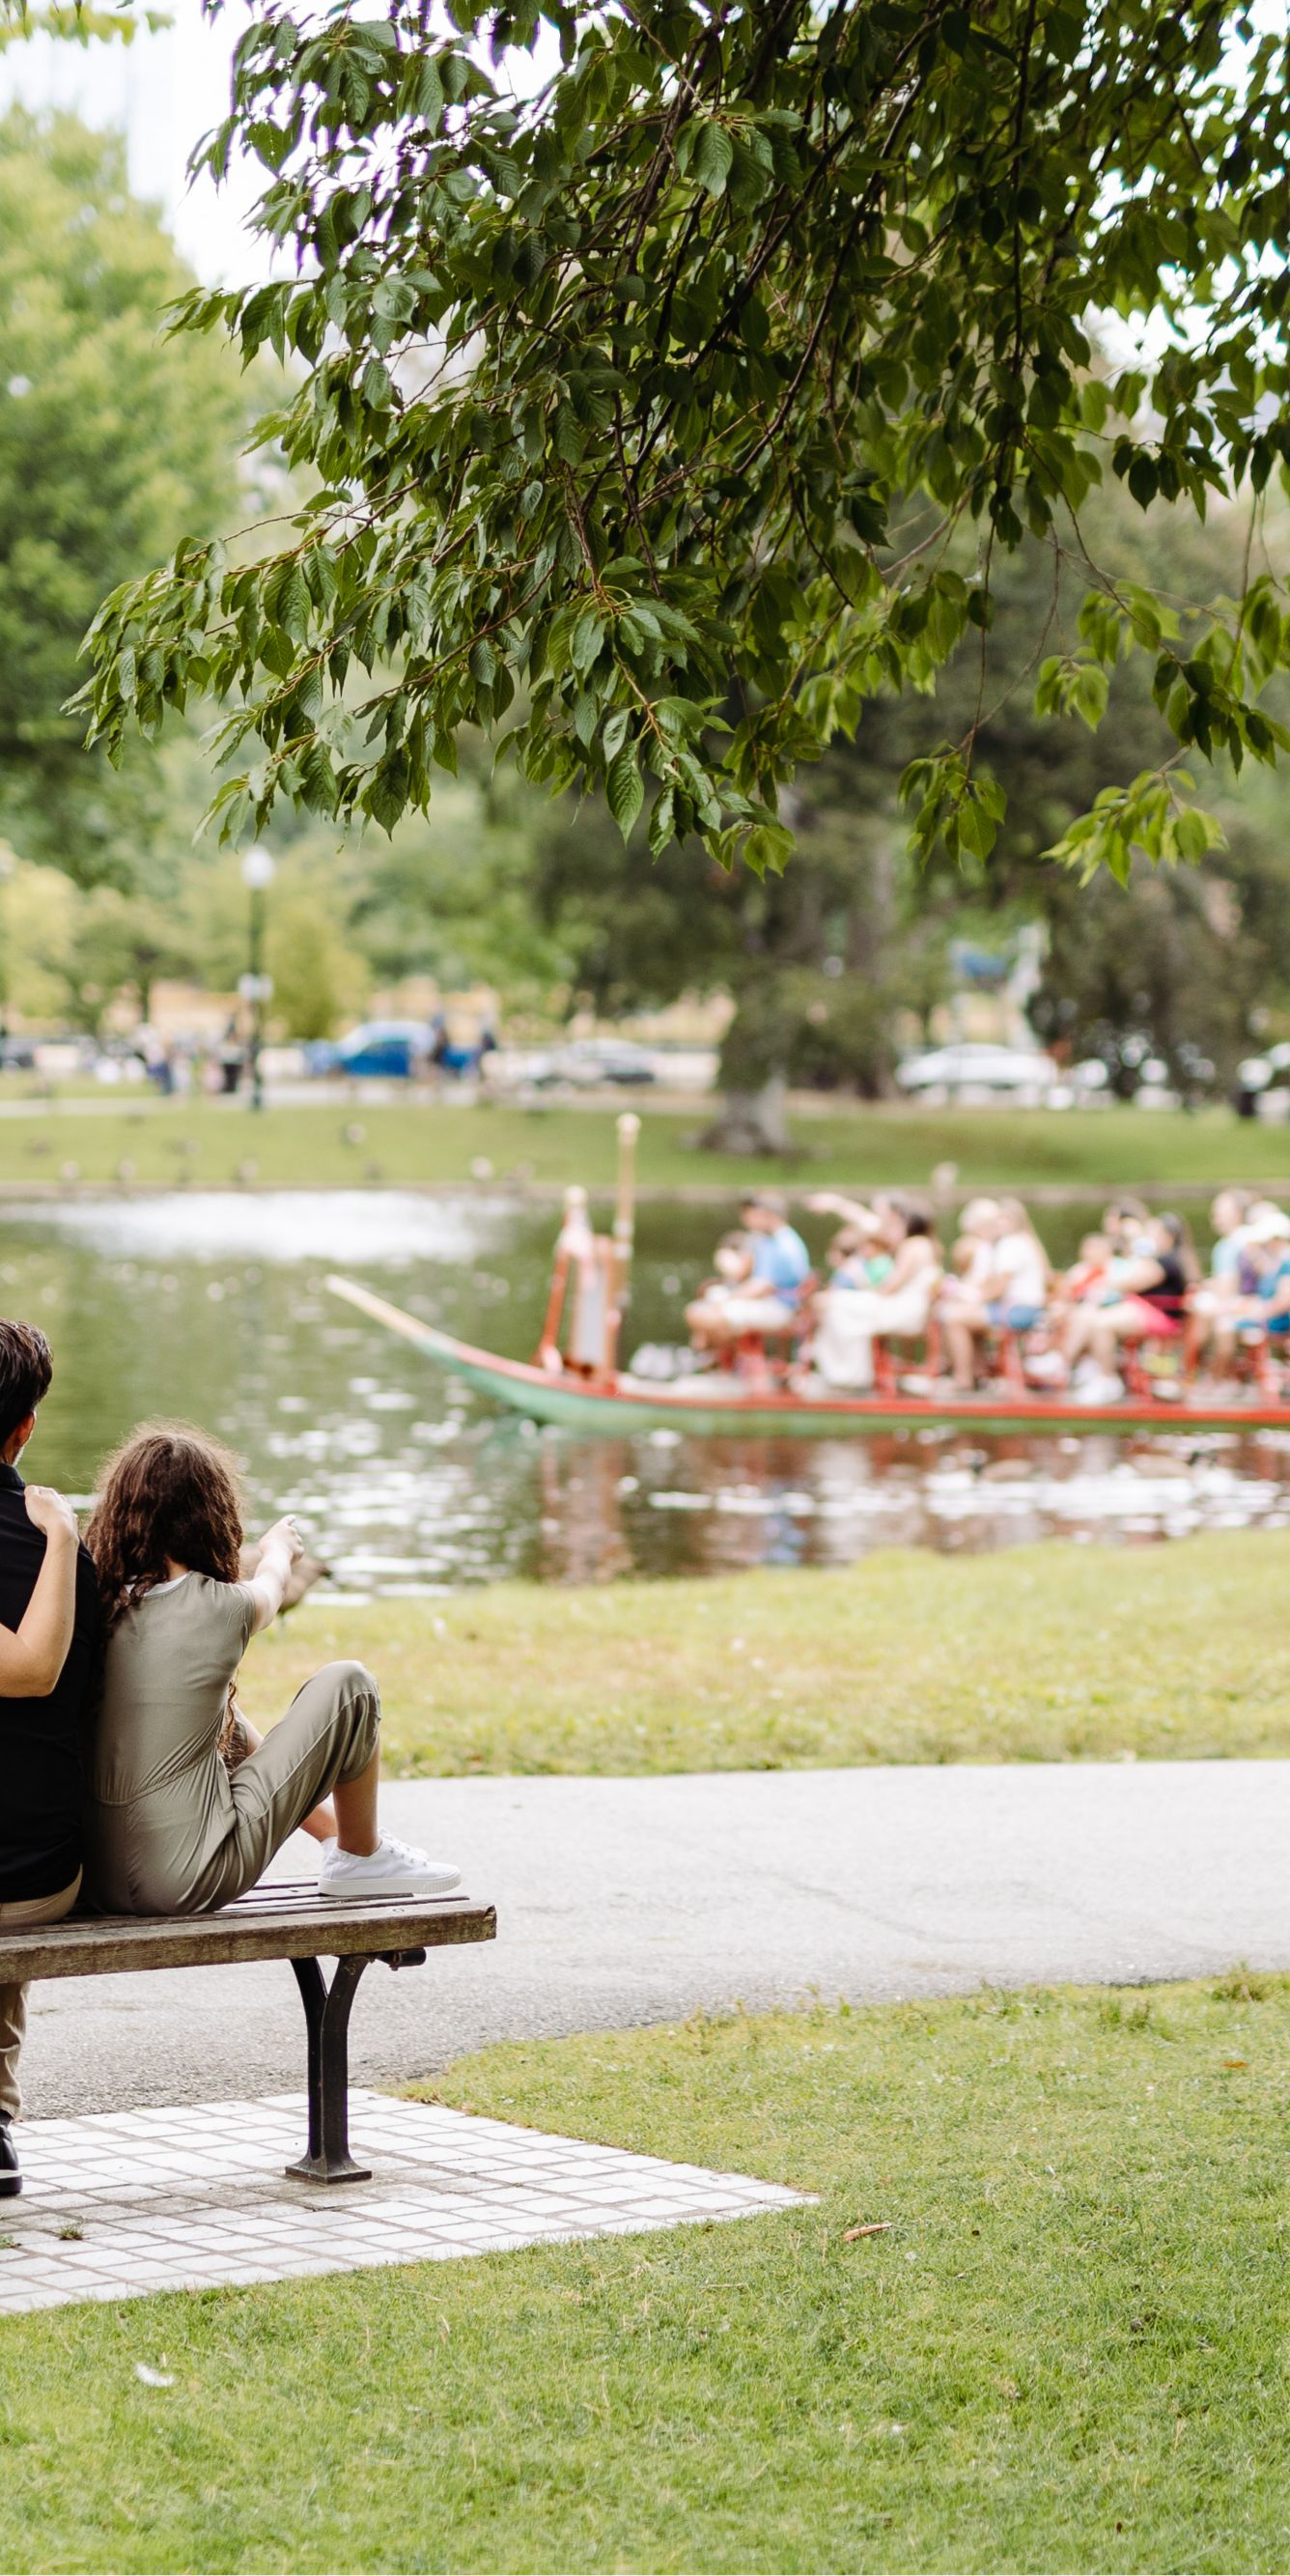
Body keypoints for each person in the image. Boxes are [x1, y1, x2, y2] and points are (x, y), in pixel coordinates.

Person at [84, 1425, 459, 1917]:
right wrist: (278, 1547)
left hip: (94, 1877)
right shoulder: (218, 1606)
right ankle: (360, 1855)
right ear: (210, 1517)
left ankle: (335, 1839)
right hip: (187, 1879)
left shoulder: (98, 1601)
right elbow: (273, 1587)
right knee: (352, 1686)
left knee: (225, 1719)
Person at [0, 1319, 101, 2199]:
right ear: (25, 1426)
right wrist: (66, 1538)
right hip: (46, 1875)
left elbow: (30, 1671)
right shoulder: (64, 1552)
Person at [1063, 1211, 1197, 1401]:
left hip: (1160, 1318)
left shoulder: (1166, 1261)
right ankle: (1084, 1369)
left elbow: (1130, 1281)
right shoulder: (1171, 1259)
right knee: (1091, 1318)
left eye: (1154, 1232)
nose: (1150, 1236)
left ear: (1167, 1236)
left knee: (1101, 1324)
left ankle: (1106, 1378)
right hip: (1152, 1313)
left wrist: (1104, 1282)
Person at [807, 1203, 941, 1391]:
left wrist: (867, 1292)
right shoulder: (926, 1246)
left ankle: (845, 1374)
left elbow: (891, 1287)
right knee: (838, 1302)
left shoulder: (913, 1246)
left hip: (902, 1311)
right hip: (910, 1309)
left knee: (837, 1302)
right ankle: (846, 1371)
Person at [941, 1198, 1050, 1393]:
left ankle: (963, 1378)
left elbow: (999, 1286)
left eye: (1004, 1219)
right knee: (967, 1318)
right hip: (1025, 1308)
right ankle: (979, 1371)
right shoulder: (1023, 1242)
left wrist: (973, 1297)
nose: (999, 1224)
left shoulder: (1011, 1244)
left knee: (954, 1319)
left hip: (1020, 1311)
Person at [685, 1191, 810, 1351]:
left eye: (756, 1215)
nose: (750, 1220)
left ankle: (736, 1357)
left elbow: (763, 1286)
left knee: (701, 1314)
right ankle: (732, 1357)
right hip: (772, 1302)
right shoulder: (771, 1239)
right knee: (708, 1301)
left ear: (769, 1215)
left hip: (780, 1307)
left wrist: (728, 1300)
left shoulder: (783, 1245)